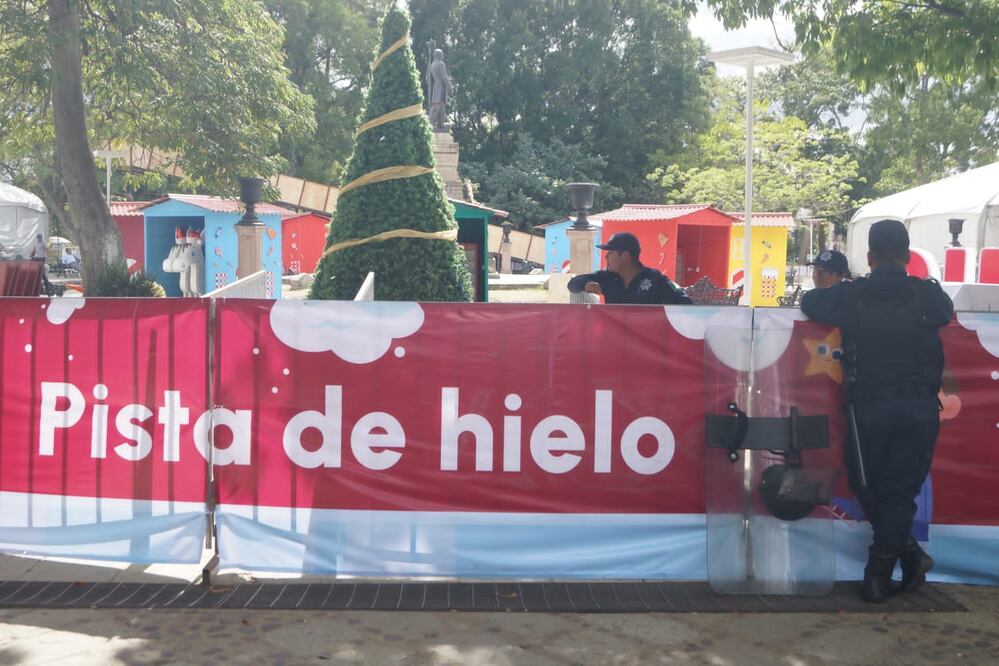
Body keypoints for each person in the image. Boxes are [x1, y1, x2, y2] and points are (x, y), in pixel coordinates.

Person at [801, 219, 953, 602]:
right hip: (918, 407)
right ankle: (901, 559)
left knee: (867, 484)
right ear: (907, 255)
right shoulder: (928, 296)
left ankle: (879, 572)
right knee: (899, 491)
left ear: (868, 257)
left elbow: (809, 302)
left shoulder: (853, 296)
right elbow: (945, 312)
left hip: (868, 408)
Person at [568, 232, 692, 305]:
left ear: (625, 256)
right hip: (614, 344)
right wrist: (586, 285)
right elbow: (572, 285)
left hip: (647, 345)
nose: (606, 257)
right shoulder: (606, 276)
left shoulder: (655, 279)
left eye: (611, 253)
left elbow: (685, 303)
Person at [427, 48, 450, 132]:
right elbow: (444, 77)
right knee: (437, 105)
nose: (443, 55)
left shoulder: (432, 65)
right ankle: (430, 122)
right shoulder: (440, 64)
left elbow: (428, 79)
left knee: (442, 106)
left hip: (436, 86)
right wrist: (450, 86)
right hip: (440, 86)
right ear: (439, 55)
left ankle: (441, 123)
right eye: (442, 53)